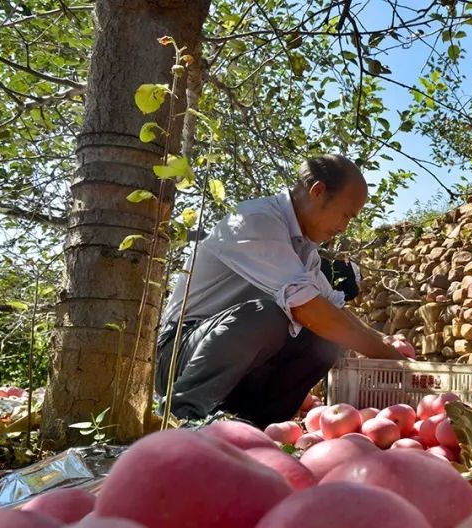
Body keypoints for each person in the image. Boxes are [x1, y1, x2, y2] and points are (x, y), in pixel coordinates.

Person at [156, 154, 403, 428]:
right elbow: (307, 308)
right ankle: (182, 414)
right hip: (180, 351)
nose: (344, 227)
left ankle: (259, 427)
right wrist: (394, 360)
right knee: (273, 315)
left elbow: (335, 309)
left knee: (324, 341)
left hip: (233, 361)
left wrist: (384, 341)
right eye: (346, 215)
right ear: (318, 191)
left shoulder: (304, 250)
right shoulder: (256, 220)